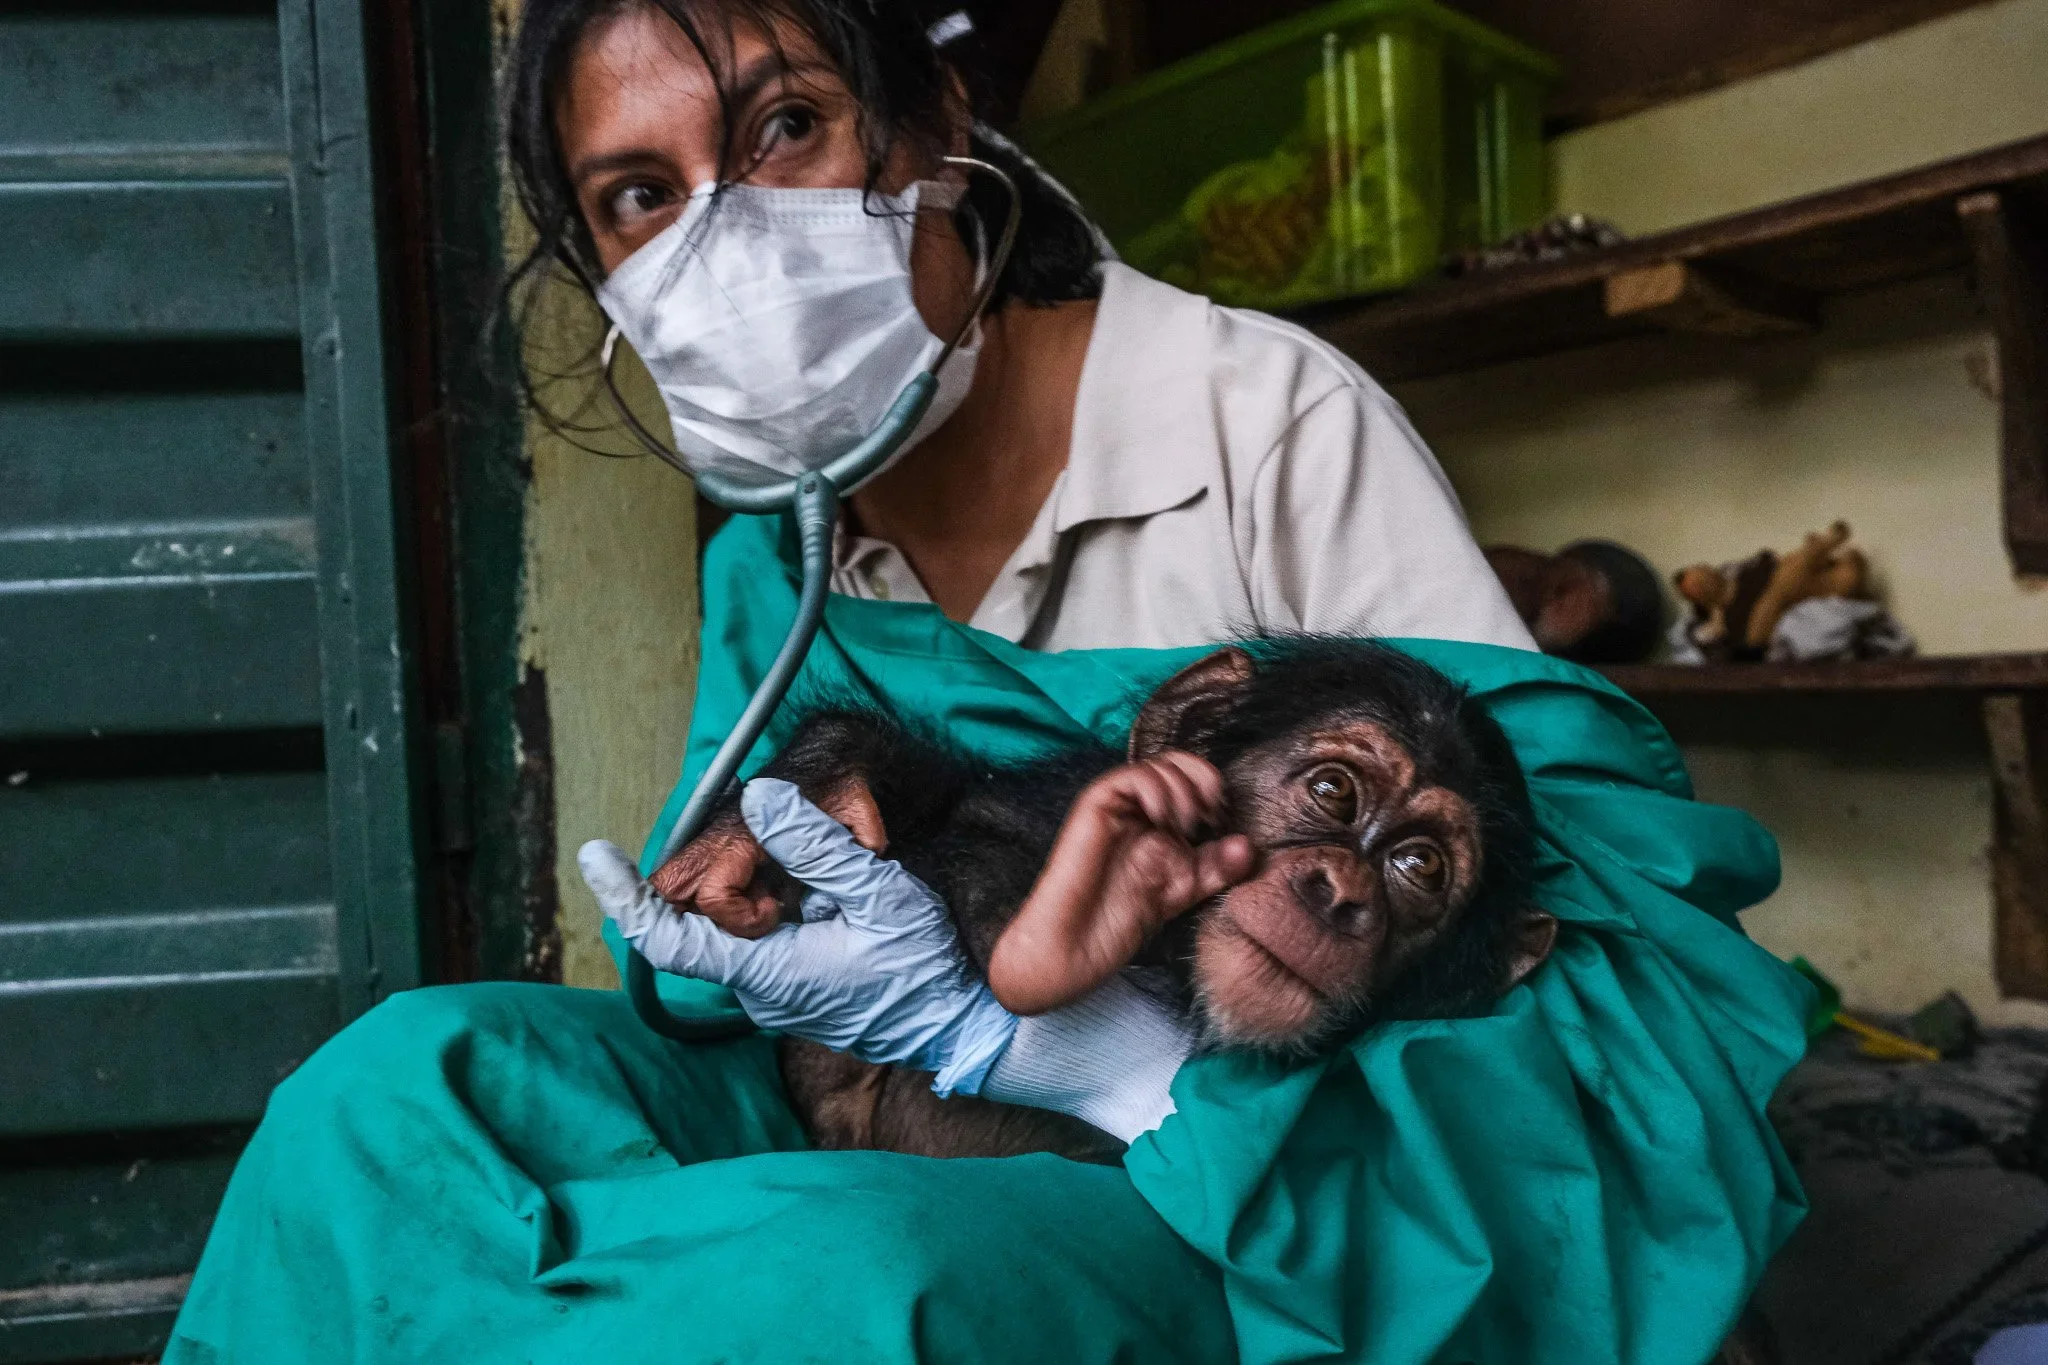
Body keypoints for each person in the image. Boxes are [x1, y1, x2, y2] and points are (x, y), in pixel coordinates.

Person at [165, 4, 1807, 1363]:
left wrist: (1092, 1061)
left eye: (785, 125)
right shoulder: (776, 564)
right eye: (640, 198)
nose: (722, 230)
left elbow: (1572, 970)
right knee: (396, 1092)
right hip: (868, 1111)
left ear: (938, 132)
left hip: (1214, 1162)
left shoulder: (1258, 417)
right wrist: (764, 899)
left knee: (819, 1281)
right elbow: (718, 974)